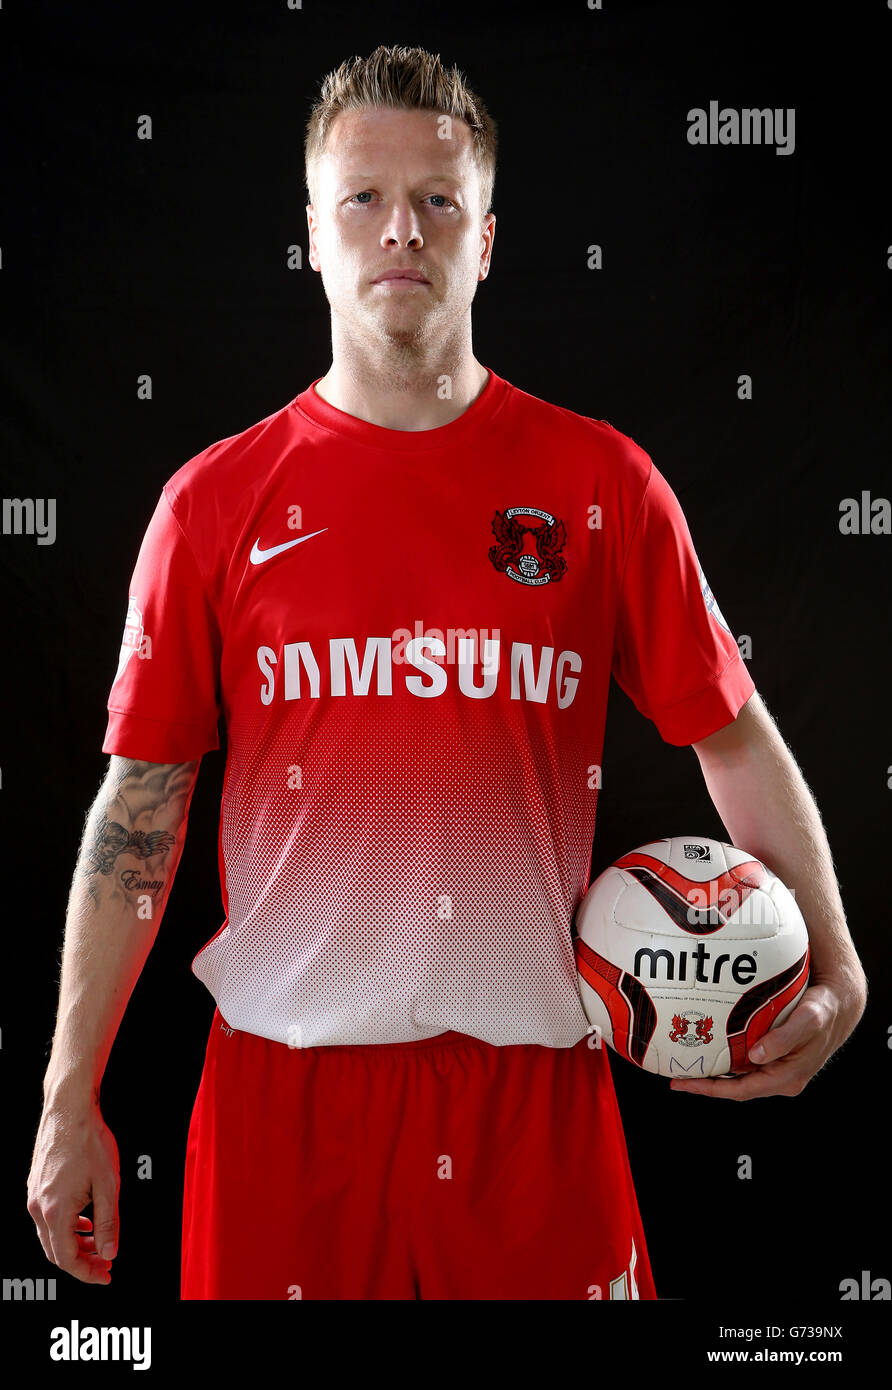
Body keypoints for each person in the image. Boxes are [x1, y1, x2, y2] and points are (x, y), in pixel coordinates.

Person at [27, 43, 867, 1301]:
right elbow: (138, 812)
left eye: (437, 198)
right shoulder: (212, 504)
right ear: (312, 234)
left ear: (484, 236)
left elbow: (731, 736)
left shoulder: (600, 485)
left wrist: (838, 961)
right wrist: (65, 1092)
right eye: (361, 197)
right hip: (281, 1105)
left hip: (534, 1100)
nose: (399, 229)